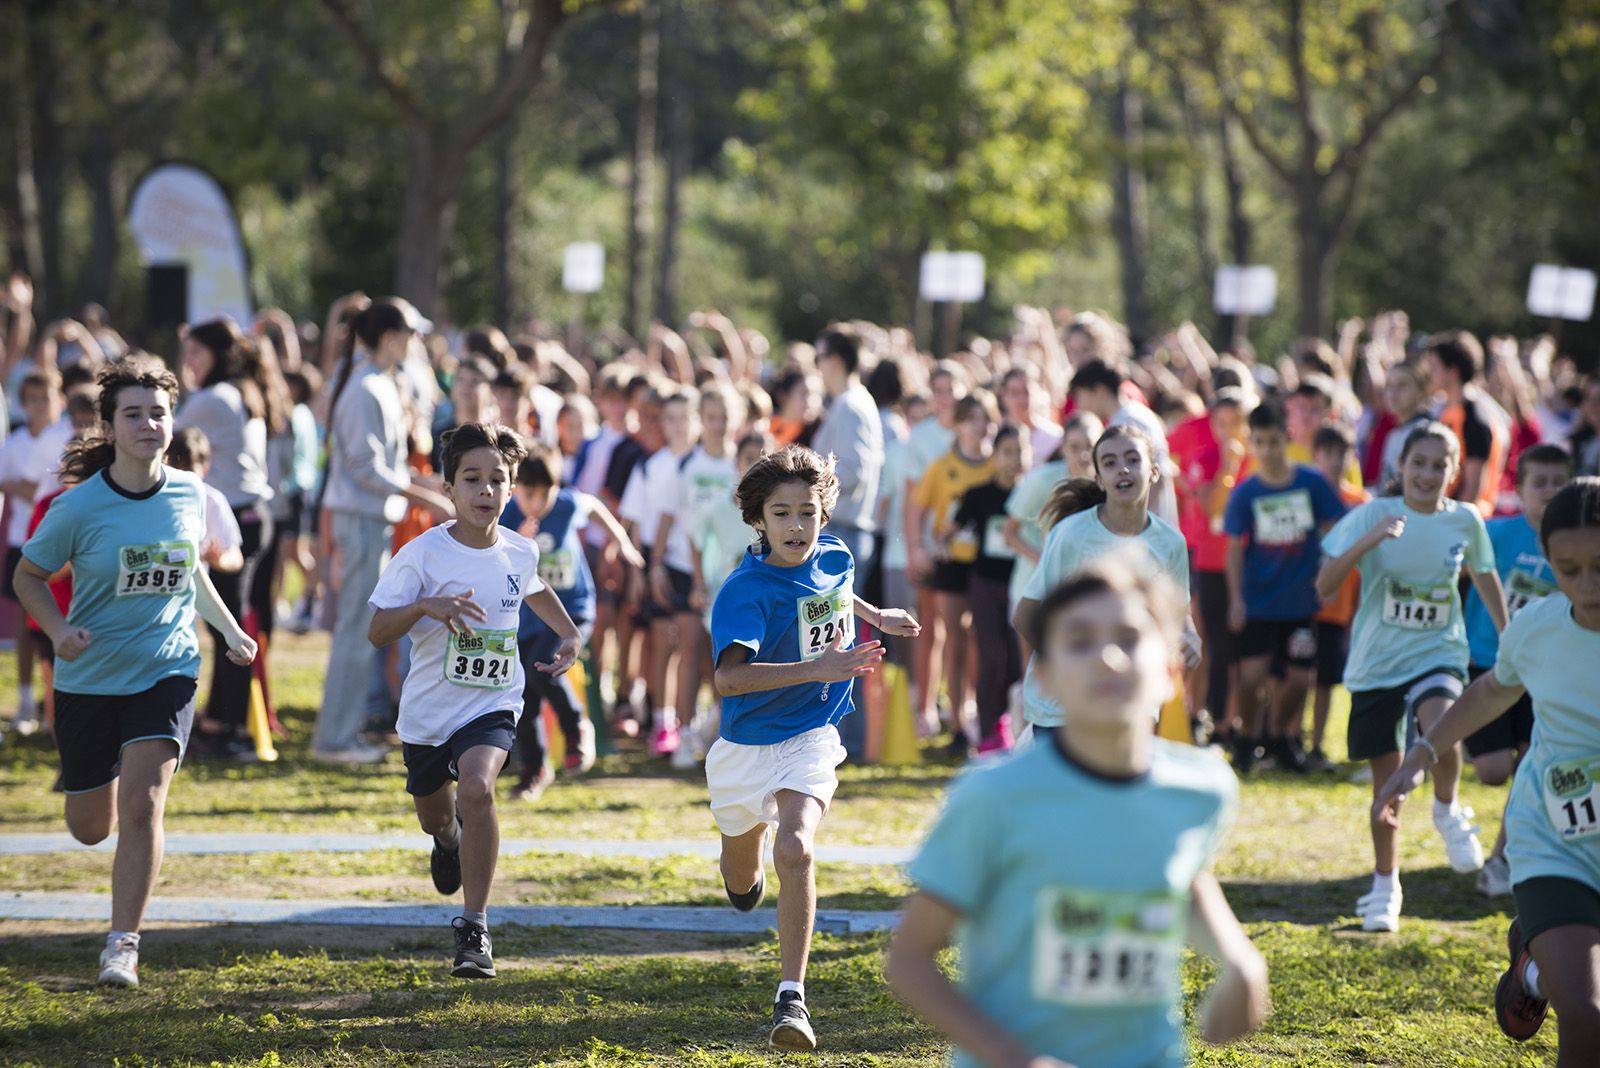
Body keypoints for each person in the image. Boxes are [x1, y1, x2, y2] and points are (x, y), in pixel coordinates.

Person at [887, 559, 1268, 1068]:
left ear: (1171, 670)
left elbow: (1180, 873)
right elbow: (910, 962)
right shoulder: (993, 796)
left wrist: (1240, 963)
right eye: (1080, 641)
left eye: (1130, 638)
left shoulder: (1203, 788)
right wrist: (1015, 1059)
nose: (1108, 658)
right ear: (1044, 676)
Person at [13, 356, 258, 987]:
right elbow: (27, 576)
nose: (148, 423)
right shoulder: (77, 507)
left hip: (166, 668)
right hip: (88, 679)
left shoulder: (190, 492)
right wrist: (59, 631)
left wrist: (230, 631)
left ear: (173, 420)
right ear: (109, 424)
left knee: (144, 804)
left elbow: (191, 570)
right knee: (91, 826)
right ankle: (105, 795)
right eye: (134, 414)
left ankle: (122, 945)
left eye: (159, 412)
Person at [1372, 478, 1600, 1063]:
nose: (1588, 584)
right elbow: (1489, 693)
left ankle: (1530, 972)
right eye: (1569, 569)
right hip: (1555, 841)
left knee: (1580, 995)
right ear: (1548, 563)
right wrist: (1423, 752)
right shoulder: (1538, 628)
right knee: (1588, 1014)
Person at [708, 444, 919, 1050]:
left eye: (808, 512)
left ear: (825, 514)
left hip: (812, 733)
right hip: (745, 747)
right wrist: (817, 667)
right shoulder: (744, 591)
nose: (797, 526)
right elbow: (728, 681)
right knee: (743, 876)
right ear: (758, 519)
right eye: (782, 514)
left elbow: (830, 591)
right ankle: (742, 876)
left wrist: (876, 615)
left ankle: (791, 999)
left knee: (796, 847)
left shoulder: (836, 553)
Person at [367, 422, 582, 979]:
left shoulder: (520, 550)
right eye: (473, 479)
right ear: (449, 487)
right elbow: (377, 631)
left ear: (512, 489)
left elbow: (534, 588)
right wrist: (425, 607)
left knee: (481, 787)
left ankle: (475, 925)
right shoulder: (422, 554)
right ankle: (447, 840)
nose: (486, 490)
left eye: (497, 480)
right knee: (436, 815)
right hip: (427, 715)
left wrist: (569, 635)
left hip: (492, 702)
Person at [1316, 421, 1508, 932]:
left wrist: (1507, 636)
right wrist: (1370, 540)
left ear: (1454, 471)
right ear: (1400, 467)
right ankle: (1385, 886)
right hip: (1378, 664)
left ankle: (1447, 807)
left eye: (1438, 465)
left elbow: (1485, 575)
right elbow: (1325, 583)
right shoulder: (1374, 514)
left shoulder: (1465, 520)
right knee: (1388, 786)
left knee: (1444, 726)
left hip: (1437, 651)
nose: (1426, 473)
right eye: (1417, 463)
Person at [314, 299, 454, 763]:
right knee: (356, 630)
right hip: (361, 521)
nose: (416, 343)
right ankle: (335, 739)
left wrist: (426, 485)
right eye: (411, 334)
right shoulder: (366, 387)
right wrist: (425, 496)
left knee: (359, 629)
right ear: (392, 337)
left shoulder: (376, 385)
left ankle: (342, 734)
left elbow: (378, 466)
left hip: (370, 519)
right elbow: (363, 468)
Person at [1014, 424, 1195, 740]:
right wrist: (1070, 666)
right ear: (1099, 479)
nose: (1122, 468)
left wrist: (1191, 639)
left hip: (1132, 702)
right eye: (1109, 462)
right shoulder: (1070, 535)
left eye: (1132, 459)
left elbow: (1178, 616)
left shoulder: (1171, 543)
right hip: (1062, 710)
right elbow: (1026, 615)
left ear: (1153, 471)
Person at [1461, 444, 1573, 896]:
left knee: (1531, 764)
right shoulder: (1493, 534)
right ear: (1519, 489)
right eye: (1539, 482)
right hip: (1487, 664)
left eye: (1558, 482)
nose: (1548, 491)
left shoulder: (1576, 543)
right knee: (1491, 770)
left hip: (1544, 672)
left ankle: (1502, 857)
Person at [506, 442, 643, 797]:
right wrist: (516, 544)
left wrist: (622, 540)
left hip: (573, 611)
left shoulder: (566, 504)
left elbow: (594, 506)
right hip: (527, 619)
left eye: (544, 493)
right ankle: (533, 771)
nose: (537, 502)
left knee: (542, 669)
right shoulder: (507, 516)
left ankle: (576, 724)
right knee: (524, 692)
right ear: (515, 488)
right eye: (528, 493)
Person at [1223, 402, 1346, 774]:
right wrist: (1236, 600)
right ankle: (1245, 739)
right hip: (1258, 602)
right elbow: (1232, 548)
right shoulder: (1245, 493)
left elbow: (1336, 530)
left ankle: (1278, 738)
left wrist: (1332, 577)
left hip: (1300, 602)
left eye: (1274, 441)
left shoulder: (1311, 483)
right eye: (1258, 442)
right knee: (1251, 678)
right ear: (1250, 443)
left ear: (1287, 438)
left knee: (1301, 677)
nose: (1267, 450)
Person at [176, 321, 278, 758]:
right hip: (252, 515)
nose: (188, 361)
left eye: (196, 352)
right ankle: (226, 722)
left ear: (217, 354)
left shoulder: (211, 400)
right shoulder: (240, 390)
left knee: (228, 628)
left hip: (234, 518)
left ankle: (227, 729)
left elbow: (166, 441)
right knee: (231, 627)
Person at [907, 393, 997, 750]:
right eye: (972, 418)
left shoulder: (997, 466)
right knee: (955, 639)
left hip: (989, 564)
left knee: (984, 638)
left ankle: (982, 717)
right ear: (958, 424)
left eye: (985, 418)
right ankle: (959, 722)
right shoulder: (942, 467)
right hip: (950, 564)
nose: (980, 426)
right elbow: (917, 508)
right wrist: (916, 547)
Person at [0, 367, 71, 734]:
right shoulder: (17, 443)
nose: (42, 405)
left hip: (63, 542)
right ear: (23, 404)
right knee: (30, 624)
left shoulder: (66, 434)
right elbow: (20, 486)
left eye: (48, 397)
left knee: (62, 622)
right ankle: (28, 699)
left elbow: (33, 487)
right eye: (34, 399)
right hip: (23, 540)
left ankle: (56, 706)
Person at [951, 425, 1024, 753]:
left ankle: (1009, 726)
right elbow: (953, 530)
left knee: (1015, 662)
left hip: (1021, 587)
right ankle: (985, 733)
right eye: (1007, 451)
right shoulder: (978, 495)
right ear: (994, 456)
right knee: (991, 655)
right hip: (984, 585)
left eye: (1021, 451)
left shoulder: (1032, 495)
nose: (1014, 459)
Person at [1309, 423, 1370, 770]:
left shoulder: (1361, 503)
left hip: (1341, 603)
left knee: (1326, 680)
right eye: (1327, 453)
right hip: (1302, 602)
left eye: (1342, 454)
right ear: (1315, 455)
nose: (1335, 460)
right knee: (1294, 674)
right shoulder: (1305, 492)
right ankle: (1288, 737)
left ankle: (1317, 744)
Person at [1068, 358, 1178, 525]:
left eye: (1080, 396)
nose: (1079, 405)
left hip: (1149, 533)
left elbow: (1160, 474)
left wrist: (1138, 523)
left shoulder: (1131, 420)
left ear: (1099, 391)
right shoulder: (1125, 417)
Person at [1426, 331, 1508, 517]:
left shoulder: (1474, 418)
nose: (1429, 373)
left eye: (1434, 367)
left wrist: (1452, 521)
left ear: (1452, 371)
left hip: (1467, 521)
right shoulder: (1447, 411)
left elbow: (1473, 488)